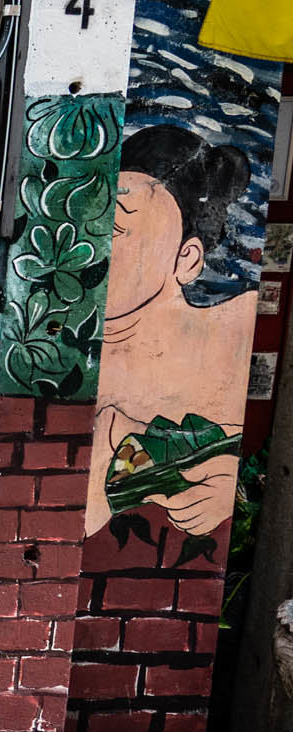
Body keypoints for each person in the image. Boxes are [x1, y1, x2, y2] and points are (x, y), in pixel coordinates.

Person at [83, 125, 252, 537]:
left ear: (187, 259)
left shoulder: (230, 336)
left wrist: (225, 488)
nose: (91, 245)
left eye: (116, 229)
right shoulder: (57, 343)